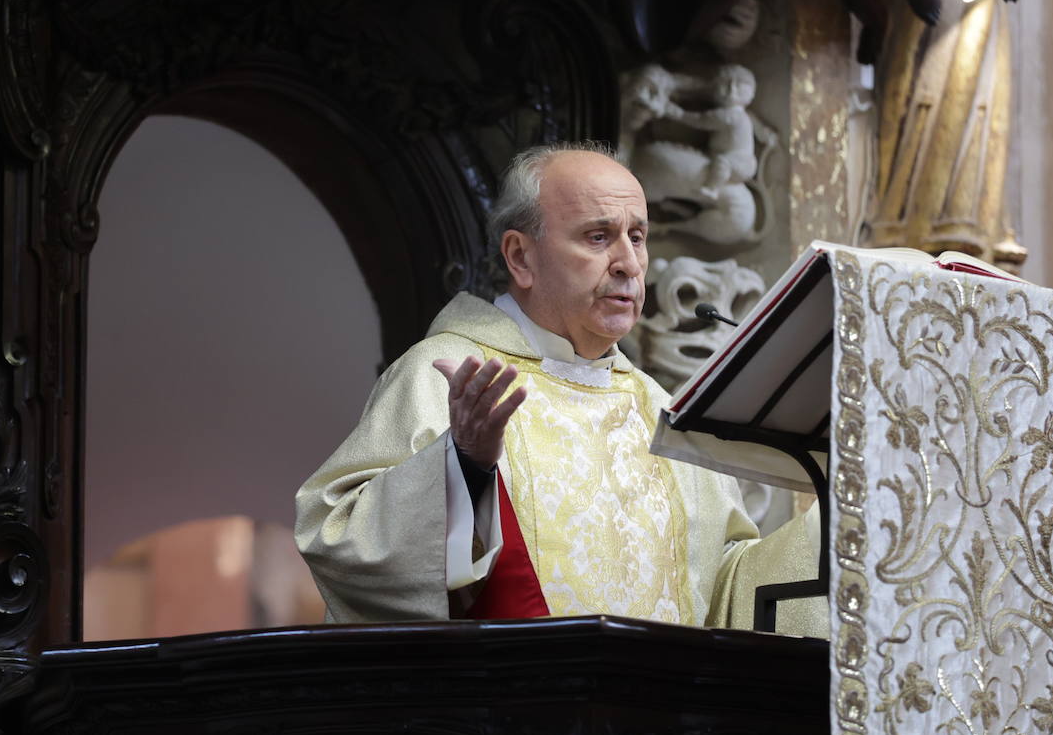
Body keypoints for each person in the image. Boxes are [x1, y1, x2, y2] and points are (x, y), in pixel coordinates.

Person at [294, 143, 823, 633]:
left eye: (637, 237)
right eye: (598, 237)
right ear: (521, 257)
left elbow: (722, 592)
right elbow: (340, 540)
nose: (629, 263)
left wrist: (836, 519)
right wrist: (463, 467)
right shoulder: (446, 373)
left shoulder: (660, 408)